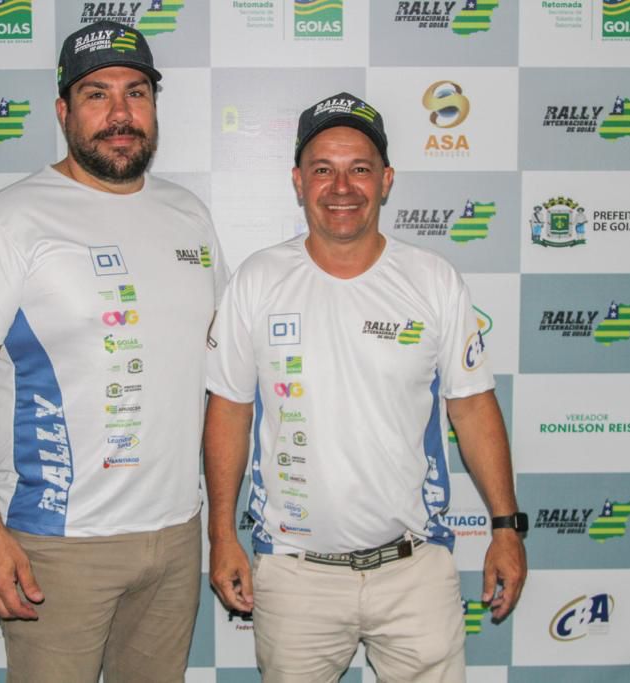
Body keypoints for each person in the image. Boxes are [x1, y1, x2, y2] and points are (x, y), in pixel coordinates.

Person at [0, 20, 227, 683]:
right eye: (97, 95)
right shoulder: (6, 222)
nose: (120, 114)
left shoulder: (190, 215)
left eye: (136, 92)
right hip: (56, 545)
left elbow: (218, 371)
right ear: (63, 111)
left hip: (176, 535)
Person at [203, 92, 527, 682]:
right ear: (298, 182)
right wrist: (221, 534)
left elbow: (473, 408)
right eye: (323, 170)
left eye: (359, 168)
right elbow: (229, 412)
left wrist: (505, 528)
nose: (342, 187)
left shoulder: (432, 280)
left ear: (386, 180)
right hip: (295, 575)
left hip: (415, 571)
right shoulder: (256, 281)